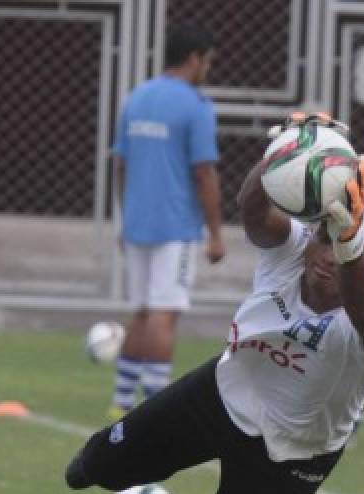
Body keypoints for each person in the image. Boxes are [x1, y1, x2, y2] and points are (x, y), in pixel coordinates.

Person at [66, 114, 364, 494]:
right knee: (96, 465)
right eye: (323, 237)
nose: (325, 256)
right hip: (223, 395)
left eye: (346, 248)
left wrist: (349, 239)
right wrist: (278, 156)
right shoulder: (292, 252)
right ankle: (106, 464)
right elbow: (253, 212)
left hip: (292, 455)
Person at [106, 23, 225, 421]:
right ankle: (157, 406)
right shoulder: (196, 105)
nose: (207, 68)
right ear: (194, 59)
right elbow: (204, 172)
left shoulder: (136, 98)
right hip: (175, 226)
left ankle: (121, 400)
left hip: (138, 222)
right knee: (164, 313)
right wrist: (216, 232)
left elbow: (120, 164)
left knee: (142, 310)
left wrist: (125, 216)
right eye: (207, 61)